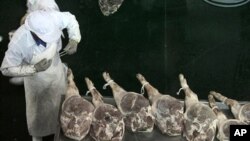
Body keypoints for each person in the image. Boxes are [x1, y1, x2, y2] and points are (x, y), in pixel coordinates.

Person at [1, 10, 81, 141]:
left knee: (59, 105)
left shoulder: (53, 17)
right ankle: (37, 135)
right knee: (37, 113)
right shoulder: (18, 41)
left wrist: (74, 39)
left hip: (56, 71)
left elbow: (71, 19)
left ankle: (60, 130)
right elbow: (6, 69)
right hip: (36, 80)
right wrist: (33, 68)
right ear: (33, 33)